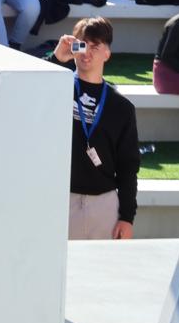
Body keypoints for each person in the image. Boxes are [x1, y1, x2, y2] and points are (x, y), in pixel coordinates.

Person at [51, 16, 138, 239]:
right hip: (60, 199)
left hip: (104, 204)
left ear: (107, 53)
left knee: (102, 273)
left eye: (95, 46)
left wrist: (127, 217)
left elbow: (128, 167)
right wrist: (57, 59)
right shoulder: (55, 86)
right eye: (81, 45)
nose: (86, 52)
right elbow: (29, 91)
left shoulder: (121, 107)